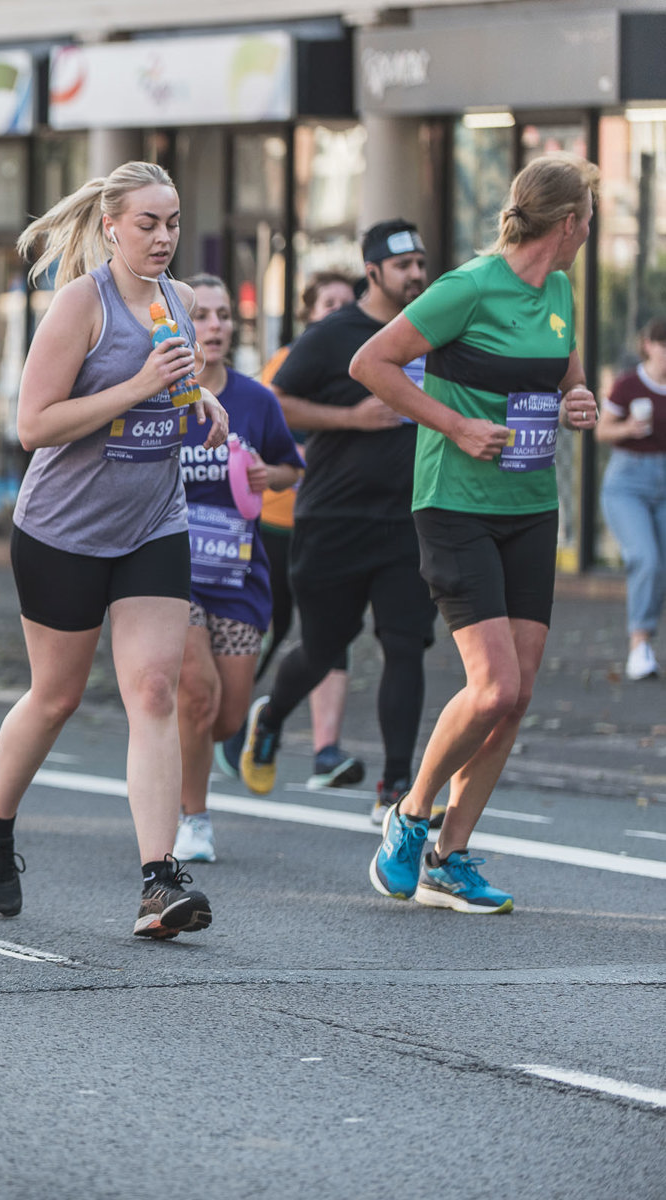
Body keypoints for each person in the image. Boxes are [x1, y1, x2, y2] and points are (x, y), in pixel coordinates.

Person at [0, 161, 228, 937]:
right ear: (111, 226)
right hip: (64, 530)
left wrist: (200, 398)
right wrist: (141, 385)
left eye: (172, 222)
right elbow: (33, 425)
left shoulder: (177, 300)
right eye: (148, 223)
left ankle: (159, 881)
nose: (163, 237)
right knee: (57, 697)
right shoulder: (83, 303)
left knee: (154, 690)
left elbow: (172, 383)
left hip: (153, 522)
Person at [354, 153, 600, 914]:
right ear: (569, 223)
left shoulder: (559, 290)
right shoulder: (468, 286)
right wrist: (456, 425)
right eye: (589, 219)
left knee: (516, 696)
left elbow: (565, 370)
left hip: (530, 505)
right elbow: (373, 363)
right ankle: (410, 815)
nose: (590, 231)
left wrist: (579, 397)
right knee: (493, 687)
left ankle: (449, 858)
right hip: (455, 503)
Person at [237, 218, 438, 822]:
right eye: (403, 266)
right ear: (372, 272)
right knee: (324, 646)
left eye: (420, 264)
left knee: (405, 645)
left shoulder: (434, 329)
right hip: (334, 517)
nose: (416, 275)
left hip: (409, 519)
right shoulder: (333, 335)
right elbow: (277, 402)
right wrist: (352, 418)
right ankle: (271, 716)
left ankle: (395, 789)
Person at [171, 276, 303, 863]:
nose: (216, 326)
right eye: (202, 315)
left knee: (223, 720)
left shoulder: (257, 400)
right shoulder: (161, 396)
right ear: (180, 325)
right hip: (172, 573)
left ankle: (179, 749)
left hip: (237, 574)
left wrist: (267, 476)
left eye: (224, 315)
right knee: (196, 695)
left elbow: (290, 467)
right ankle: (192, 818)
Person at [227, 270, 361, 788]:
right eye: (328, 302)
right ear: (309, 312)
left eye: (347, 302)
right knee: (273, 625)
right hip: (280, 522)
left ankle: (327, 751)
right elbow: (256, 437)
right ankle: (229, 720)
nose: (338, 311)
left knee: (334, 631)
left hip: (337, 522)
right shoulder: (286, 365)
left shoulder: (367, 366)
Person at [597, 317, 666, 681]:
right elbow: (601, 431)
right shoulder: (628, 384)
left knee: (661, 565)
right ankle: (639, 646)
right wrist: (628, 428)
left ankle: (646, 644)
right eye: (663, 345)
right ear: (648, 346)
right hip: (627, 483)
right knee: (646, 558)